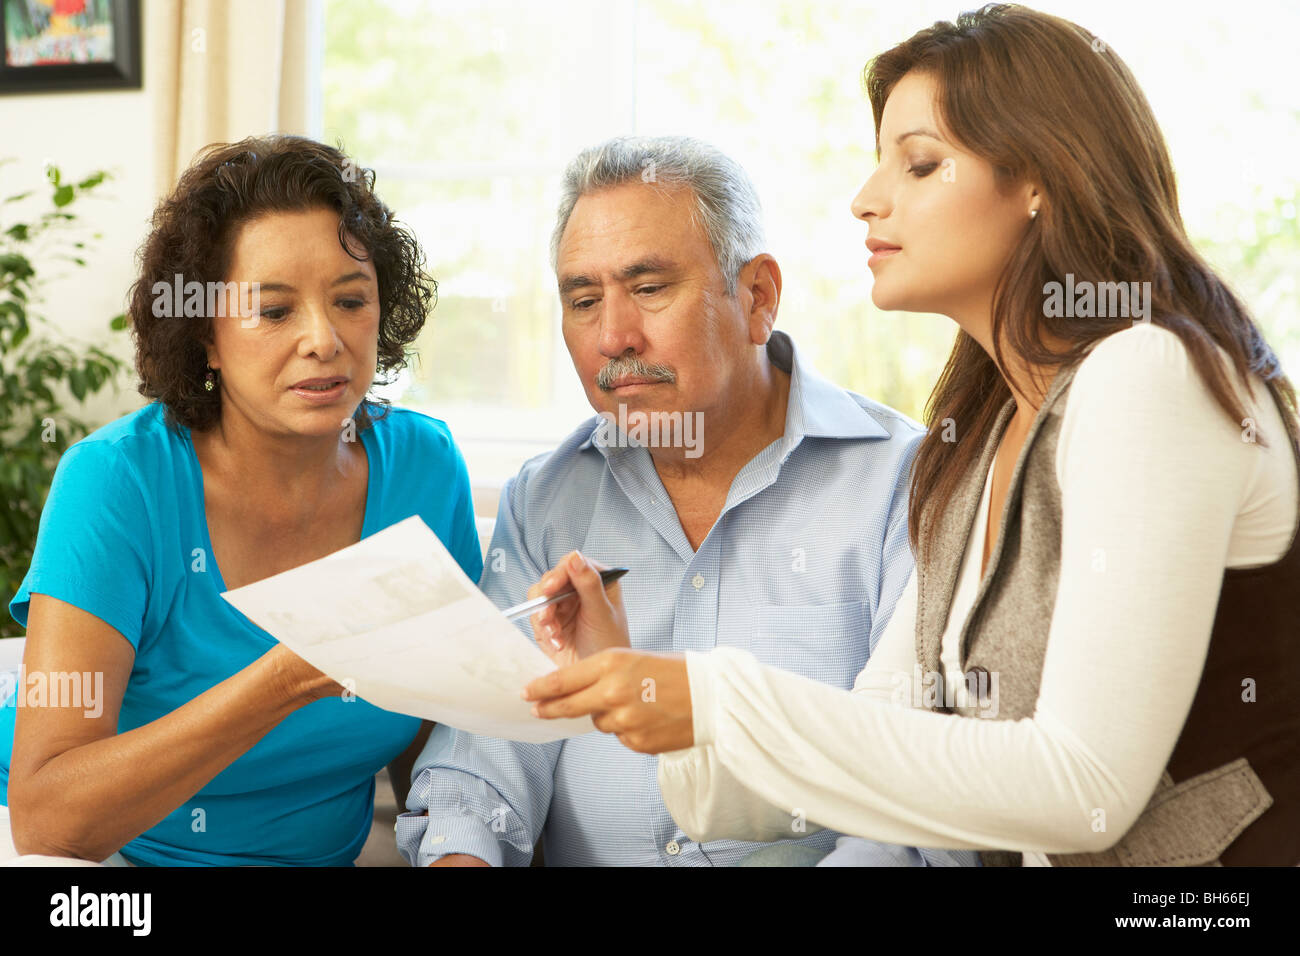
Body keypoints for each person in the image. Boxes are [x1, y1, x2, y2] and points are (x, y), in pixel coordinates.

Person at [521, 4, 1300, 867]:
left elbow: (1085, 789)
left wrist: (711, 697)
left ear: (1040, 178)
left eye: (921, 163)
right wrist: (644, 703)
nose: (866, 198)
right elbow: (889, 744)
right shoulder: (977, 439)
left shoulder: (1144, 374)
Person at [398, 135, 977, 867]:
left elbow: (912, 807)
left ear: (757, 296)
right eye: (583, 300)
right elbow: (477, 770)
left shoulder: (905, 485)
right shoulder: (546, 498)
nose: (613, 336)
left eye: (648, 289)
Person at [0, 134, 482, 866]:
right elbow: (48, 820)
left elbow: (435, 731)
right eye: (274, 310)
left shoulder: (425, 467)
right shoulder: (116, 484)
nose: (323, 340)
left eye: (350, 301)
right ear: (208, 339)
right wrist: (282, 680)